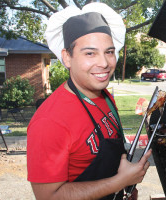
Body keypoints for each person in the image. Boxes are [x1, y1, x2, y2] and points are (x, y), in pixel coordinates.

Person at [26, 2, 151, 200]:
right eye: (90, 53)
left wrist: (126, 190)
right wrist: (120, 182)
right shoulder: (49, 121)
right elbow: (48, 197)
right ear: (67, 58)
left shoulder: (106, 98)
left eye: (109, 52)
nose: (104, 63)